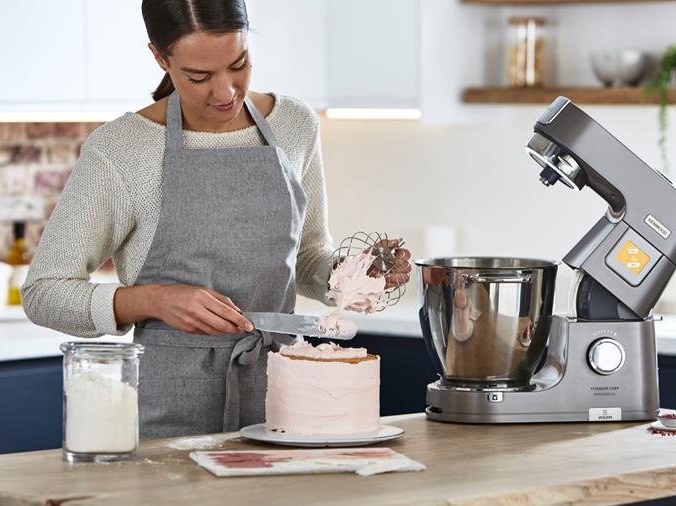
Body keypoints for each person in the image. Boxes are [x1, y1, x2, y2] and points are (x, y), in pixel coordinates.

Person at [22, 0, 408, 439]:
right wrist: (151, 300)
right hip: (168, 415)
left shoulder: (294, 124)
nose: (225, 92)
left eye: (238, 64)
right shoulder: (120, 150)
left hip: (283, 400)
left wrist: (355, 275)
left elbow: (306, 259)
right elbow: (42, 293)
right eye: (199, 76)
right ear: (159, 58)